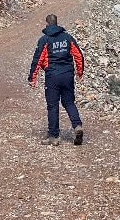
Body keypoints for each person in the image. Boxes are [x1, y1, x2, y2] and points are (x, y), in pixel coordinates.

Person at [27, 13, 85, 145]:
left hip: (52, 76)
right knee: (69, 102)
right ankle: (77, 126)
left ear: (47, 24)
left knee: (52, 106)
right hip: (67, 75)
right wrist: (79, 72)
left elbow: (37, 59)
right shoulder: (68, 38)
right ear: (57, 23)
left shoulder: (44, 40)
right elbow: (78, 56)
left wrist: (32, 78)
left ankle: (54, 136)